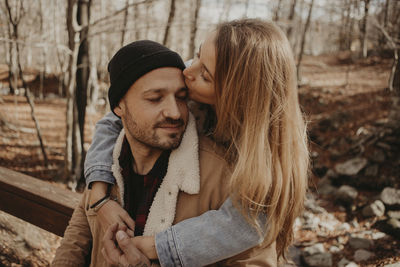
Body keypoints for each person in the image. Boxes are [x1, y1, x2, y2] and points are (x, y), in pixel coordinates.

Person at [86, 19, 309, 267]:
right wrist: (99, 192)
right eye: (197, 55)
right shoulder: (190, 84)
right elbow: (114, 121)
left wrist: (156, 246)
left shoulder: (262, 160)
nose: (187, 71)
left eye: (205, 75)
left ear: (237, 96)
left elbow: (245, 226)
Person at [52, 39, 277, 267]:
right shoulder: (106, 164)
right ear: (119, 107)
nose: (175, 113)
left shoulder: (228, 177)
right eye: (155, 98)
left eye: (181, 97)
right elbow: (79, 234)